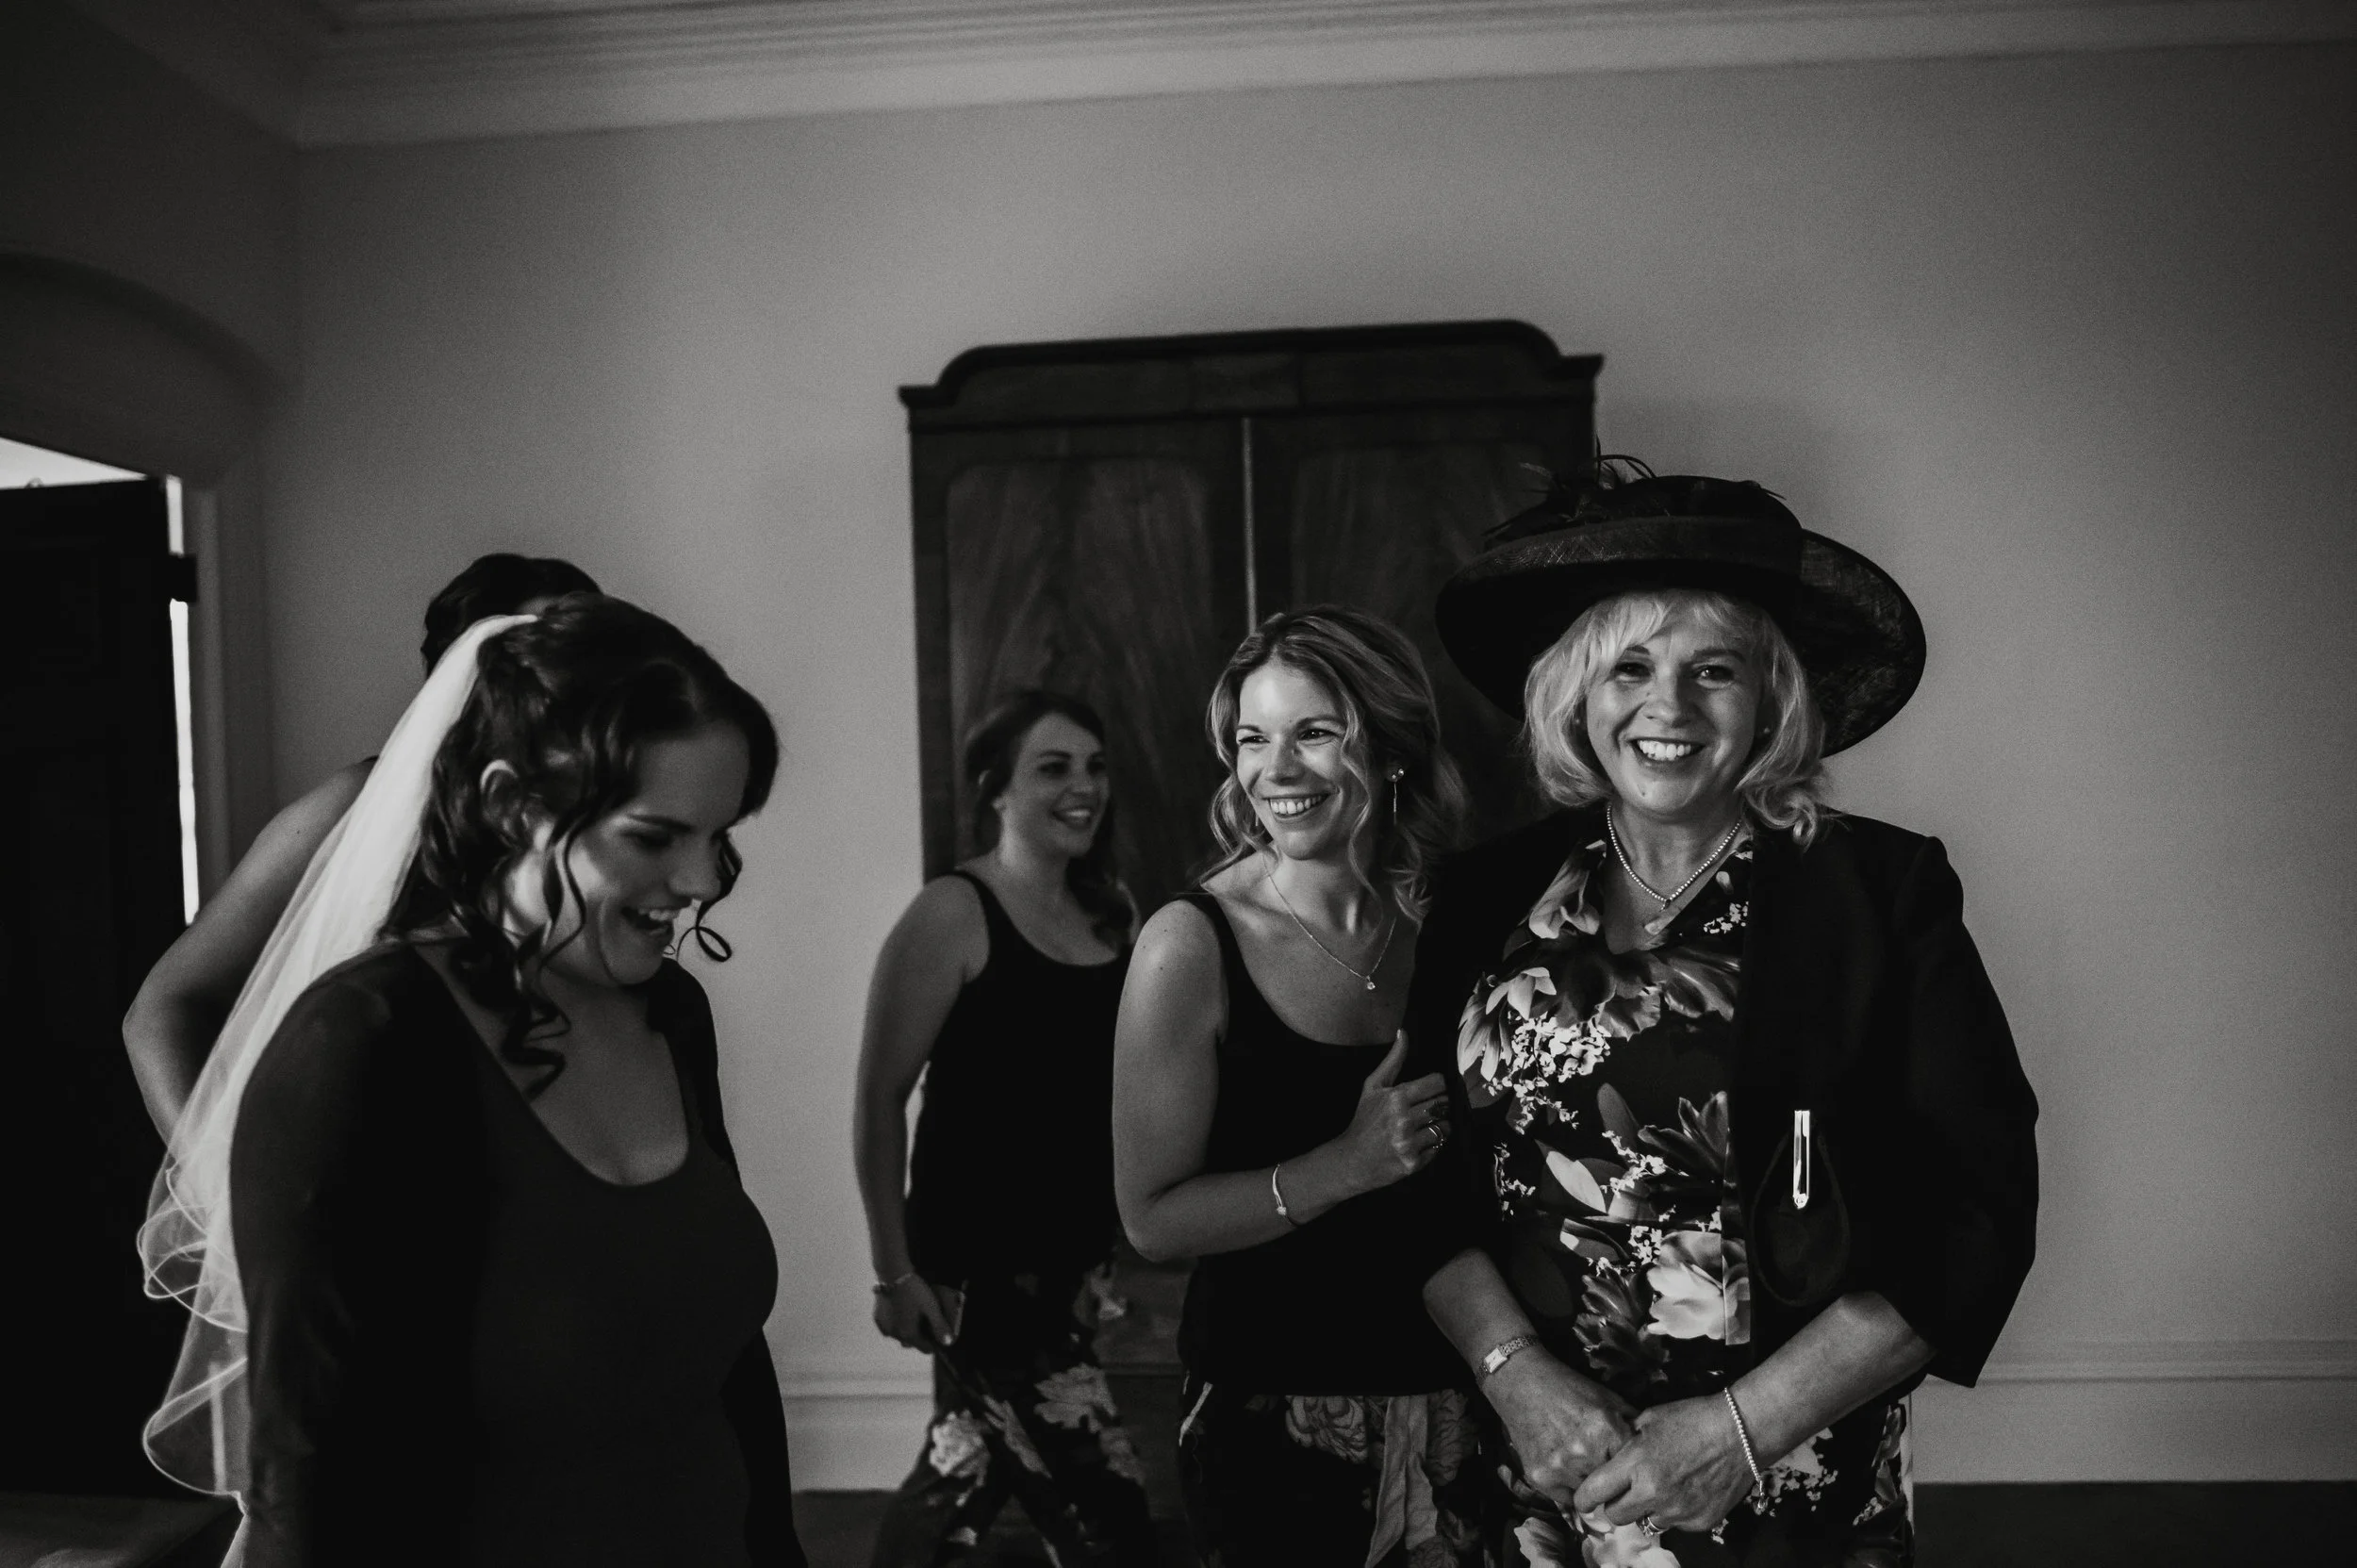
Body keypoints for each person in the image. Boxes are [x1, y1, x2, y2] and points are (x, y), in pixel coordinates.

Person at [1409, 461, 2040, 1567]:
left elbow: (1974, 1208)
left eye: (1716, 670)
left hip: (1783, 1476)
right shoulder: (1478, 895)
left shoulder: (1876, 893)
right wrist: (1518, 1379)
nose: (1669, 707)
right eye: (1630, 668)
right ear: (1575, 694)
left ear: (1770, 702)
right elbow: (1417, 1177)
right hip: (1534, 1465)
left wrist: (1739, 1434)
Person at [139, 596, 804, 1567]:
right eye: (656, 838)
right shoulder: (366, 1041)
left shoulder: (670, 1012)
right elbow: (311, 1476)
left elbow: (728, 1360)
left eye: (720, 834)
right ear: (509, 805)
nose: (703, 880)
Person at [1113, 607, 1485, 1568]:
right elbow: (1151, 1218)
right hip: (1270, 1416)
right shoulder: (1187, 944)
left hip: (1454, 1403)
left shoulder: (1451, 925)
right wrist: (1340, 1166)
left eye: (1315, 732)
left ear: (1389, 744)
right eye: (1251, 737)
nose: (1275, 768)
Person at [123, 553, 600, 1138]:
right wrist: (218, 1188)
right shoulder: (356, 805)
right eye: (552, 655)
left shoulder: (604, 824)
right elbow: (165, 1008)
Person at [853, 689, 1157, 1568]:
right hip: (976, 1275)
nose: (1084, 787)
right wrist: (892, 1270)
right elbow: (880, 1098)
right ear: (996, 788)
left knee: (963, 1471)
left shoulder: (1113, 915)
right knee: (1111, 1516)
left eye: (1095, 767)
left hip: (1070, 1262)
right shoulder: (951, 913)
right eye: (1053, 767)